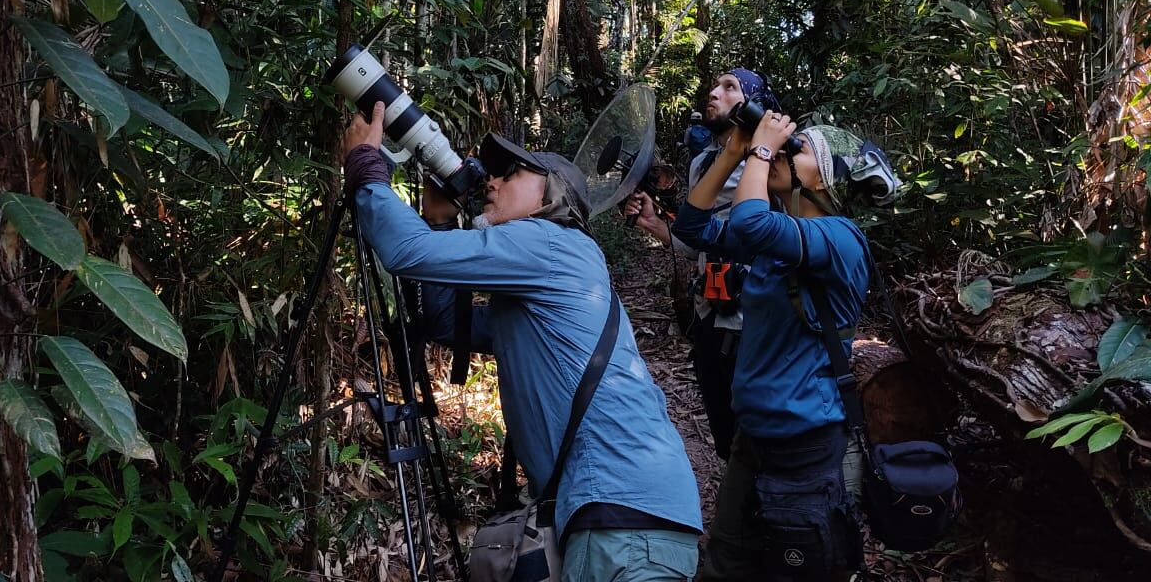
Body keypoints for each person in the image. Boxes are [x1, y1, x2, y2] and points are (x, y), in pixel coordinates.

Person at [343, 102, 703, 581]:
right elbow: (450, 324)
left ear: (551, 198)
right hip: (619, 512)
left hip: (624, 519)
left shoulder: (551, 242)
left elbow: (406, 253)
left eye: (511, 174)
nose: (491, 182)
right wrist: (438, 220)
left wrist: (367, 168)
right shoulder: (544, 283)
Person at [672, 111, 900, 581]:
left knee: (797, 564)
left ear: (829, 178)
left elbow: (750, 223)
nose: (779, 153)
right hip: (753, 432)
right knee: (726, 559)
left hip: (804, 440)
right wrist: (733, 152)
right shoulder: (782, 239)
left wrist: (758, 148)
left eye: (796, 149)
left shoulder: (841, 239)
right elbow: (693, 227)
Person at [624, 69, 781, 462]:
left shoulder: (768, 166)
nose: (714, 92)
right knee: (722, 420)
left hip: (753, 318)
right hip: (709, 311)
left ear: (754, 103)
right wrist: (656, 226)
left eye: (730, 87)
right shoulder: (704, 163)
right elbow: (701, 243)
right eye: (715, 85)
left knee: (757, 423)